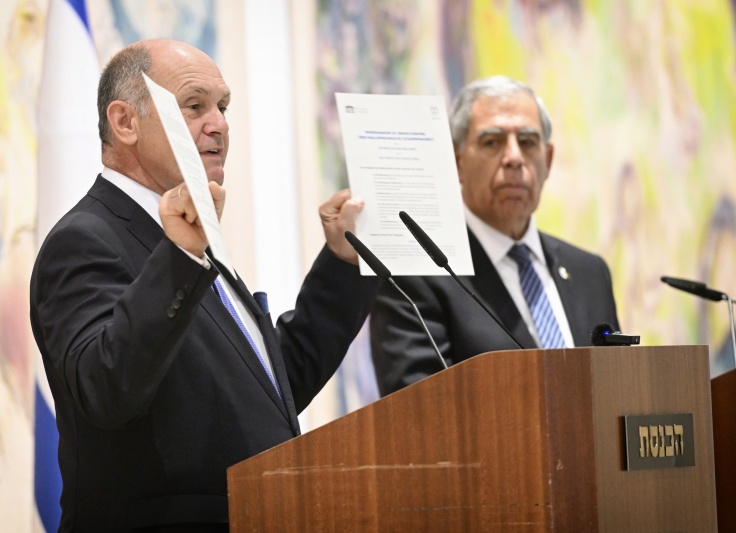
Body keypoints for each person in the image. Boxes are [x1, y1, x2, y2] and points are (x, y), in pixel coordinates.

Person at [30, 40, 379, 532]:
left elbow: (271, 389)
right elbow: (106, 386)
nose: (219, 124)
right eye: (194, 106)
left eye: (223, 106)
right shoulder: (85, 240)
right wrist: (179, 258)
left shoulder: (189, 239)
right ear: (125, 122)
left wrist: (344, 263)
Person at [370, 76, 619, 396]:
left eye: (528, 142)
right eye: (492, 142)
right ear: (456, 162)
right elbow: (419, 418)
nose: (514, 157)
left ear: (548, 160)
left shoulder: (589, 273)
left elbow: (617, 393)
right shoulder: (416, 277)